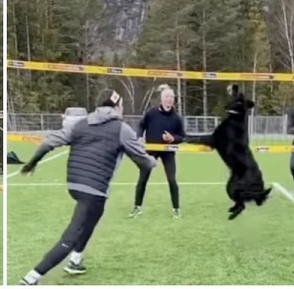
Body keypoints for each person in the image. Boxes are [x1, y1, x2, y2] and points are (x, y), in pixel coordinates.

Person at [18, 89, 156, 285]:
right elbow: (144, 161)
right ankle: (31, 277)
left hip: (74, 184)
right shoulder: (122, 129)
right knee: (72, 235)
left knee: (93, 216)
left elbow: (49, 142)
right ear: (116, 106)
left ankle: (75, 261)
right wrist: (153, 162)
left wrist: (31, 163)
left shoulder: (80, 124)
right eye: (122, 104)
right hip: (94, 189)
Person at [129, 84, 186, 219]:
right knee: (143, 178)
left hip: (168, 152)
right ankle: (137, 207)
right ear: (161, 99)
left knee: (172, 180)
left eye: (172, 97)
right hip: (151, 150)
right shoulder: (151, 113)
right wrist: (139, 137)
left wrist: (173, 138)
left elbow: (182, 136)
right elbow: (141, 126)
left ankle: (176, 209)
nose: (169, 99)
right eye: (167, 97)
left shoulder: (177, 118)